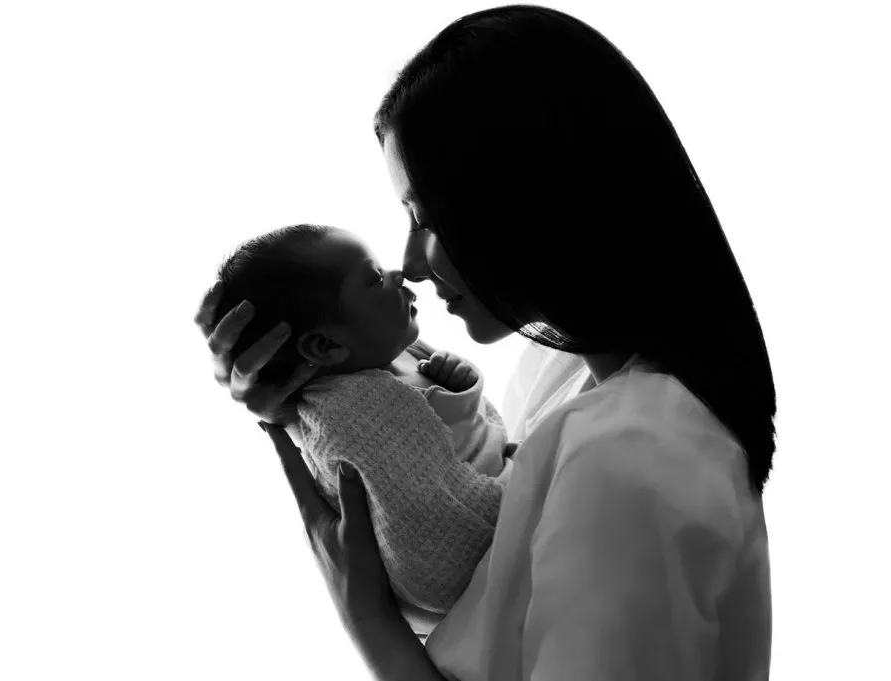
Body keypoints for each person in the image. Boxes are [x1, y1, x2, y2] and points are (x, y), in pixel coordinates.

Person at [197, 5, 775, 680]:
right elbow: (469, 587)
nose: (410, 261)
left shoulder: (626, 458)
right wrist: (310, 400)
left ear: (527, 196)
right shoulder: (559, 377)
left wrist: (371, 626)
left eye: (428, 215)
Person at [201, 223, 516, 628]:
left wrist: (458, 381)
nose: (399, 272)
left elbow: (467, 427)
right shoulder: (352, 412)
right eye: (373, 279)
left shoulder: (395, 353)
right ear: (326, 347)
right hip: (482, 557)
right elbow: (428, 533)